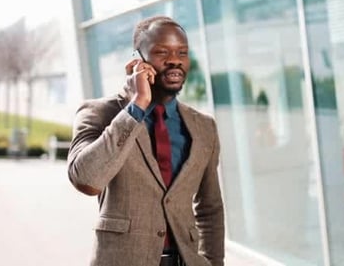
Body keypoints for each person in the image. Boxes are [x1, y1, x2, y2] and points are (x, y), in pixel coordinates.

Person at [67, 16, 225, 266]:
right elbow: (86, 180)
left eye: (182, 52)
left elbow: (210, 208)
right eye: (162, 52)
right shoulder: (98, 113)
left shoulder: (204, 127)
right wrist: (137, 105)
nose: (174, 60)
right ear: (137, 59)